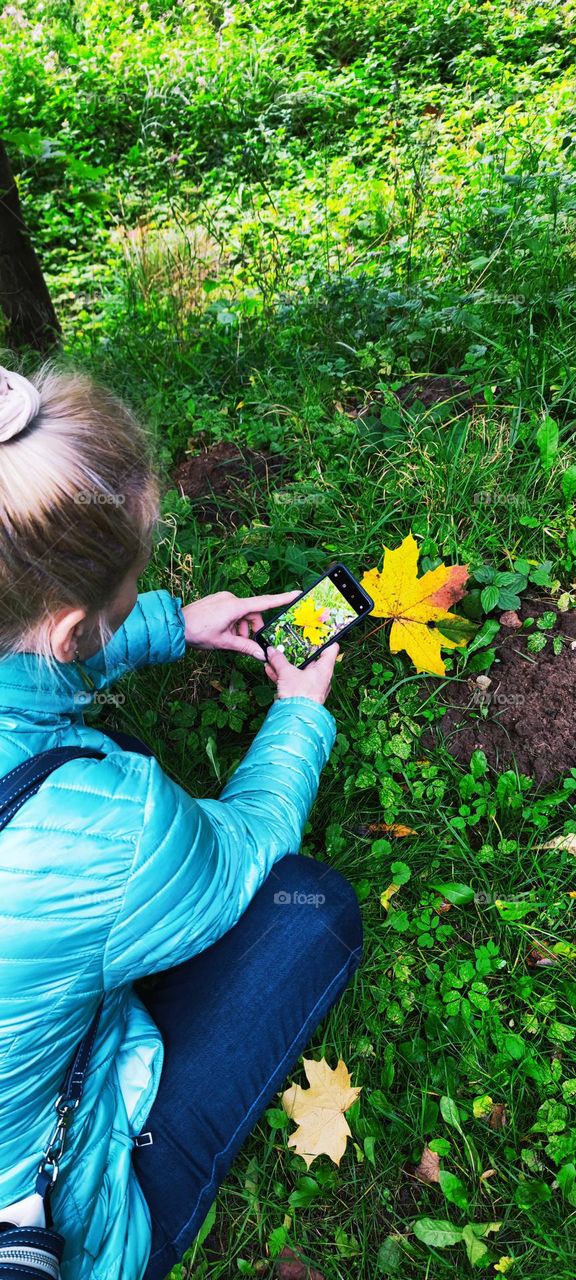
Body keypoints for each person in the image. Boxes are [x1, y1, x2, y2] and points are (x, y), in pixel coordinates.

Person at [0, 362, 363, 1280]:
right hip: (64, 1233)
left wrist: (166, 624)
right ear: (70, 626)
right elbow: (239, 849)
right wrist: (300, 716)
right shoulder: (103, 824)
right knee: (306, 906)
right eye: (130, 593)